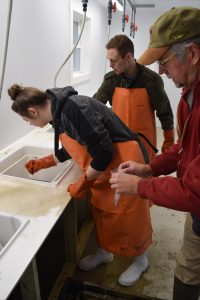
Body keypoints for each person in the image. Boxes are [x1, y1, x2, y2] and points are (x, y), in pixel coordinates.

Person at [8, 84, 152, 287]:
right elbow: (76, 144)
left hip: (123, 162)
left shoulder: (73, 109)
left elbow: (103, 153)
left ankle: (140, 260)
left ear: (33, 111)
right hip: (104, 169)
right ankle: (105, 252)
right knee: (102, 212)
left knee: (129, 215)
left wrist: (82, 183)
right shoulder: (59, 113)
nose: (29, 124)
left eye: (27, 120)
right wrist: (44, 162)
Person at [110, 6, 200, 300]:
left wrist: (140, 186)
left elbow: (193, 191)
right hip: (196, 211)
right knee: (187, 268)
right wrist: (148, 168)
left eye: (164, 60)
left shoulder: (166, 88)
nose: (160, 69)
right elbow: (185, 149)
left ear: (193, 54)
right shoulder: (190, 95)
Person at [93, 34, 174, 158]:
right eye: (109, 60)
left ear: (128, 57)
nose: (110, 65)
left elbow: (165, 112)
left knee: (144, 175)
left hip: (145, 143)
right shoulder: (111, 80)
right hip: (118, 141)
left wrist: (169, 142)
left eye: (113, 60)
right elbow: (94, 106)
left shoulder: (151, 80)